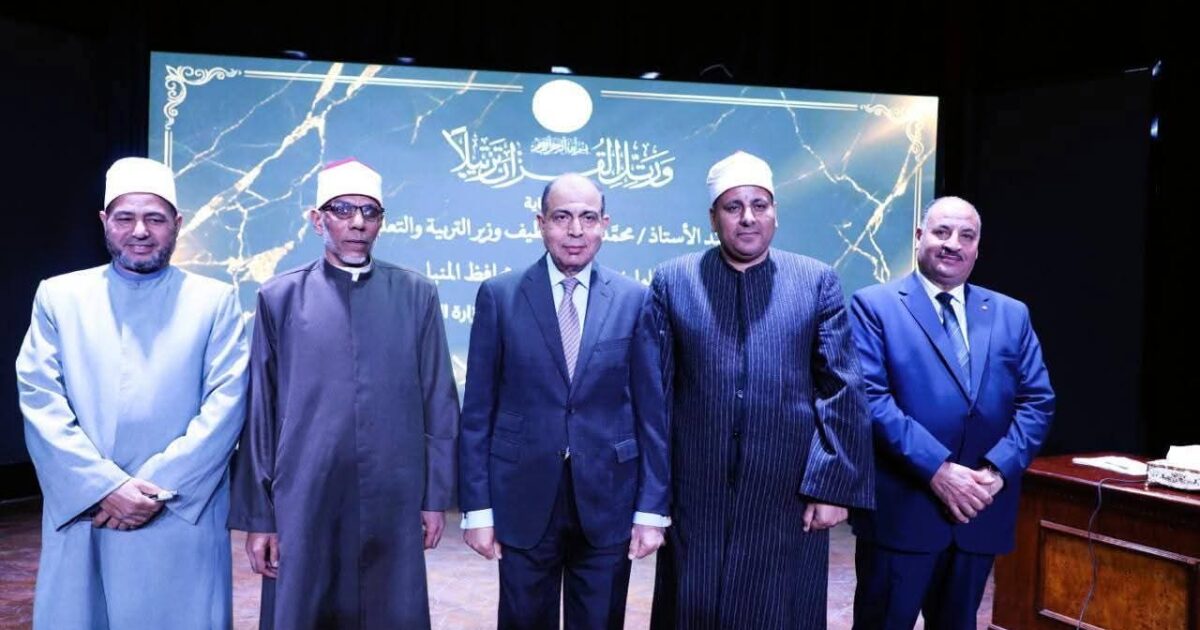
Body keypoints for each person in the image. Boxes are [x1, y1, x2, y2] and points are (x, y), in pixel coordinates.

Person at [17, 156, 249, 629]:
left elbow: (226, 405)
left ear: (177, 224)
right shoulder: (60, 297)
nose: (140, 231)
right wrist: (105, 487)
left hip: (178, 511)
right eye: (125, 218)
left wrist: (152, 491)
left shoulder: (214, 301)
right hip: (88, 511)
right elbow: (40, 399)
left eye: (155, 219)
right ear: (105, 221)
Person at [645, 151, 875, 629]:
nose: (747, 217)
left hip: (786, 497)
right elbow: (656, 396)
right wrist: (654, 499)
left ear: (775, 213)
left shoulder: (815, 281)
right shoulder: (674, 281)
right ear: (713, 218)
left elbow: (842, 388)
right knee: (691, 611)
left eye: (759, 205)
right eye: (733, 207)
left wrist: (831, 488)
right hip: (697, 498)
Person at [228, 158, 460, 629]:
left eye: (369, 212)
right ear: (318, 220)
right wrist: (261, 519)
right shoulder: (280, 297)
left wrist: (435, 497)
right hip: (305, 497)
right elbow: (261, 415)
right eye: (342, 210)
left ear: (381, 222)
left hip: (393, 496)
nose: (357, 222)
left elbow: (439, 400)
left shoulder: (416, 294)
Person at [458, 173, 670, 628]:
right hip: (522, 497)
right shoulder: (500, 296)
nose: (576, 231)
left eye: (588, 218)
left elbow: (651, 413)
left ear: (605, 225)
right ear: (541, 223)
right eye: (562, 217)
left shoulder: (634, 299)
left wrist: (651, 509)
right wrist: (477, 510)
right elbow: (477, 414)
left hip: (608, 499)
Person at [849, 195, 1055, 629]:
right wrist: (938, 471)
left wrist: (996, 472)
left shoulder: (1011, 314)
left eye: (967, 235)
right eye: (941, 231)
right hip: (903, 516)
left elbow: (1037, 401)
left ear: (978, 248)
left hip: (979, 510)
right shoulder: (873, 306)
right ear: (919, 235)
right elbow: (871, 400)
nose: (953, 244)